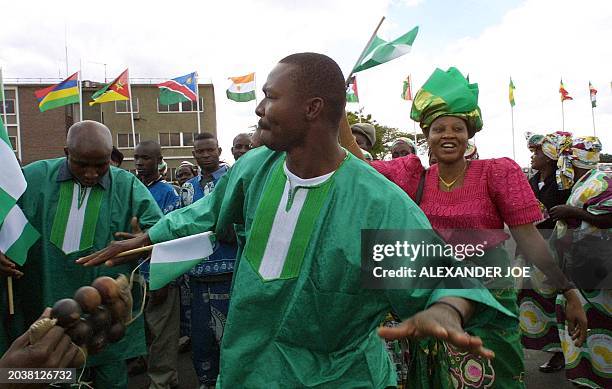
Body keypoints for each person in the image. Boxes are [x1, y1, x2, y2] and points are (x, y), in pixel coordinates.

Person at [79, 53, 516, 388]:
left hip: (340, 378)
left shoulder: (376, 203)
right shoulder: (255, 169)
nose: (259, 109)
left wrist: (444, 309)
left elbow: (444, 278)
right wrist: (145, 239)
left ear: (311, 108)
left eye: (270, 97)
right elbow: (205, 216)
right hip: (247, 370)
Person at [346, 67, 587, 388]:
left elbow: (530, 241)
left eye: (457, 128)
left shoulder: (498, 172)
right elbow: (358, 166)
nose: (448, 134)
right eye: (438, 128)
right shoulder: (412, 175)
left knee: (494, 379)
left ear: (469, 133)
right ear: (427, 135)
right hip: (433, 296)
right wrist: (337, 110)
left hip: (489, 304)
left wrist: (569, 291)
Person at [1, 120, 163, 389]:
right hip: (41, 309)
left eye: (100, 165)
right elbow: (3, 217)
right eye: (81, 164)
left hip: (105, 316)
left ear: (111, 156)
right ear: (66, 152)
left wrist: (145, 238)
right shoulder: (33, 177)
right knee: (51, 376)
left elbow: (158, 229)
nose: (91, 173)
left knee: (111, 380)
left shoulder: (127, 184)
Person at [549, 136, 612, 389]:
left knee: (599, 329)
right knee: (581, 327)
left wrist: (572, 212)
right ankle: (585, 376)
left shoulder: (603, 179)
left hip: (597, 272)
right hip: (580, 271)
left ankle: (598, 378)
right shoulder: (587, 181)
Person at [180, 132, 236, 387]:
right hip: (196, 275)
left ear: (219, 150)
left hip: (230, 272)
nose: (205, 155)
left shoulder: (233, 178)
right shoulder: (187, 188)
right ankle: (206, 382)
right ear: (194, 155)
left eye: (209, 150)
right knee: (201, 338)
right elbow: (180, 224)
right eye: (200, 152)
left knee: (231, 337)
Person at [517, 132, 572, 373]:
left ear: (550, 158)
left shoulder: (562, 184)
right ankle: (536, 345)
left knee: (553, 301)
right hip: (528, 248)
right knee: (527, 298)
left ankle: (561, 352)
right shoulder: (532, 180)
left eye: (537, 153)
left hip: (551, 249)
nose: (533, 157)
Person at [134, 140, 182, 389]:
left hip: (160, 274)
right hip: (134, 276)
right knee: (141, 331)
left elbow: (171, 237)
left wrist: (162, 277)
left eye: (146, 158)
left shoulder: (167, 193)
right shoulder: (132, 188)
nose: (140, 163)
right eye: (137, 158)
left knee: (163, 334)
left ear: (159, 160)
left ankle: (162, 382)